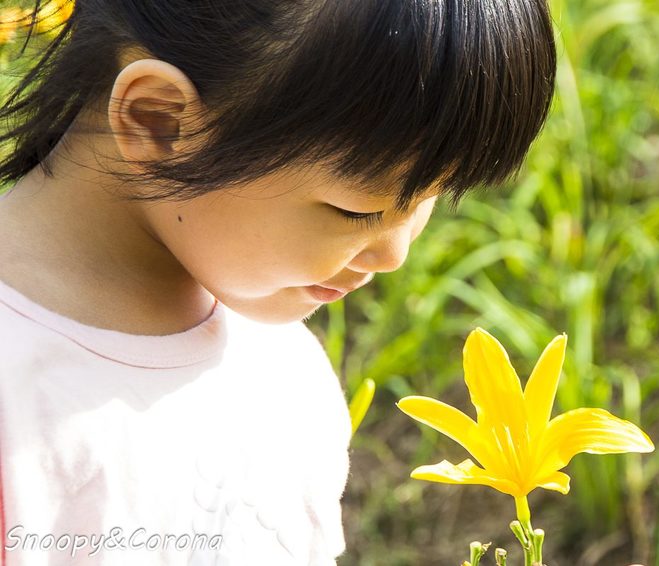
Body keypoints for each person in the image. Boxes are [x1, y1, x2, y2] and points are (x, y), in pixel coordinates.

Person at [0, 0, 557, 564]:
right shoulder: (18, 399)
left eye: (431, 197)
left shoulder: (282, 367)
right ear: (159, 121)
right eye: (356, 210)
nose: (395, 254)